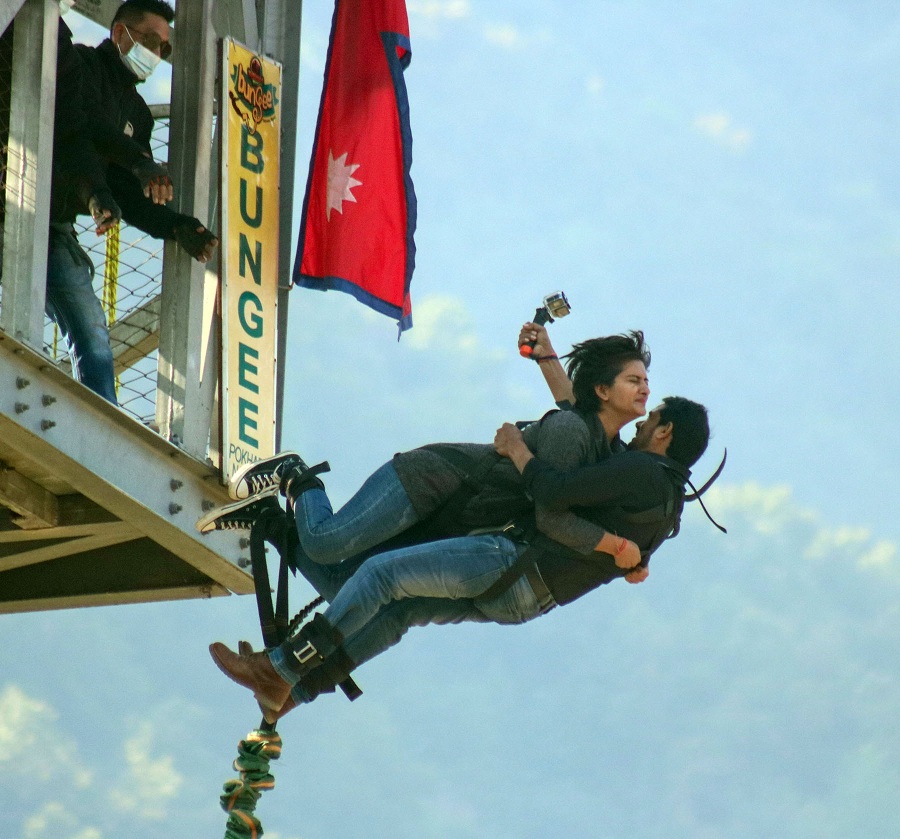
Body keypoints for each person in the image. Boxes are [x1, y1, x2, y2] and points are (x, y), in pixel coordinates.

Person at [208, 392, 711, 723]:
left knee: (381, 578)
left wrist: (518, 447)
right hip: (523, 601)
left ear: (664, 434)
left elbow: (554, 493)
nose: (643, 422)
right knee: (388, 606)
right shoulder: (669, 505)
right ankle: (292, 689)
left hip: (511, 562)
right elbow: (587, 422)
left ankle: (283, 668)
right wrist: (630, 556)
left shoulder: (645, 472)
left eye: (652, 420)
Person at [199, 329, 654, 572]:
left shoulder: (603, 446)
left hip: (450, 512)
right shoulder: (576, 432)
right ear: (603, 388)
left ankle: (273, 522)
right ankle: (299, 477)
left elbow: (570, 401)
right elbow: (554, 501)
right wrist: (618, 550)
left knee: (345, 585)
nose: (645, 390)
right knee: (327, 542)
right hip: (433, 479)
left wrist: (637, 562)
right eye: (634, 380)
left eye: (646, 381)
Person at [47, 0, 217, 403]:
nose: (156, 55)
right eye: (150, 41)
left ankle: (97, 433)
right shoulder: (80, 66)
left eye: (164, 48)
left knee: (93, 339)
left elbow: (127, 191)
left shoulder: (137, 116)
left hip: (55, 230)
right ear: (121, 33)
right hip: (16, 199)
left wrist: (175, 225)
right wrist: (138, 160)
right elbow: (80, 127)